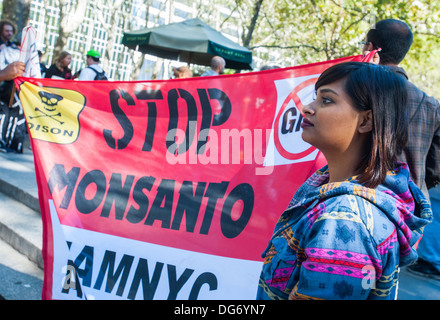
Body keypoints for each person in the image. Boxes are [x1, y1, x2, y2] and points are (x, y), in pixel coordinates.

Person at [257, 62, 432, 300]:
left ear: (365, 121)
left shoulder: (344, 218)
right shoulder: (343, 191)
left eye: (326, 100)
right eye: (315, 98)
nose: (307, 108)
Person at [362, 19, 440, 280]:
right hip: (406, 214)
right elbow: (435, 168)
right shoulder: (431, 104)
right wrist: (411, 185)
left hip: (360, 200)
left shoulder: (358, 88)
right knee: (385, 280)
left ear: (372, 47)